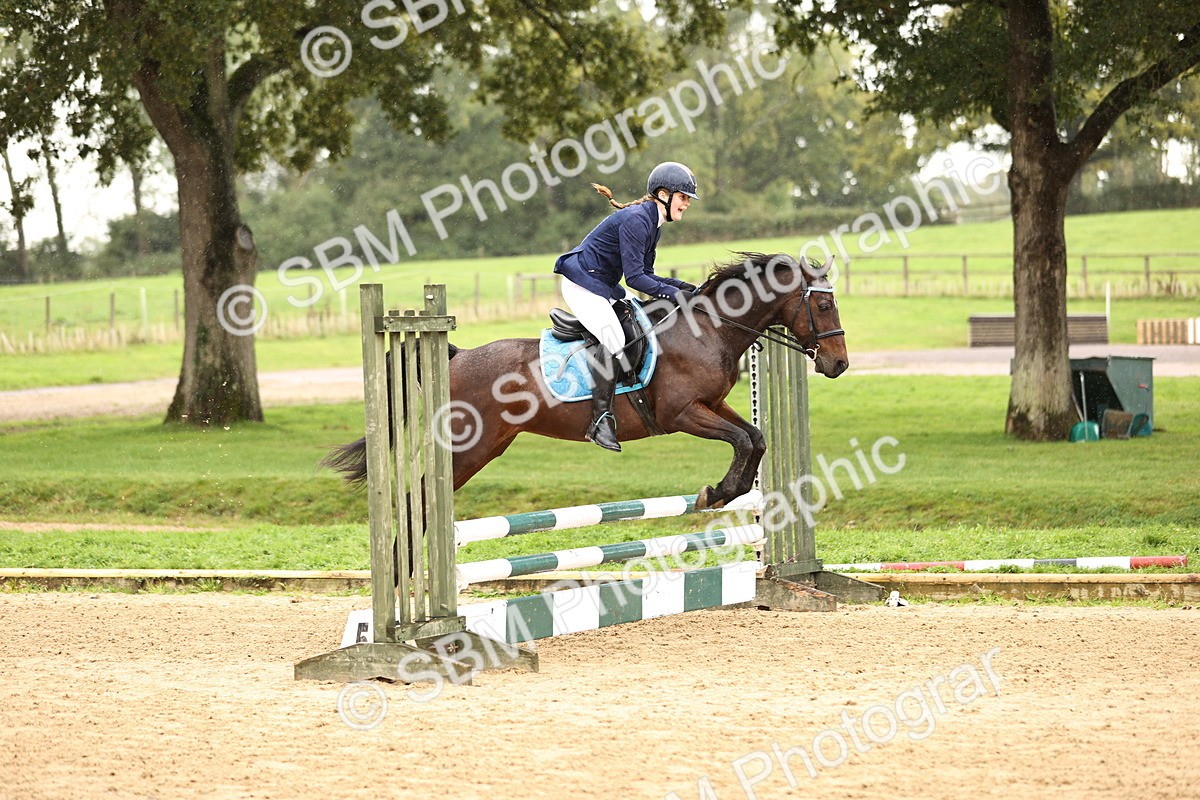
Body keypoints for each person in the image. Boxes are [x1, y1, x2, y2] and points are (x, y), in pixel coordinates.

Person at [553, 161, 700, 452]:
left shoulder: (652, 224)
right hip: (582, 283)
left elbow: (647, 274)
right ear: (663, 194)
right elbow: (635, 279)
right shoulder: (637, 220)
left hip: (601, 285)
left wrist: (682, 287)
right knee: (615, 337)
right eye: (683, 197)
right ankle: (600, 421)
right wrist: (673, 294)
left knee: (635, 325)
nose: (686, 204)